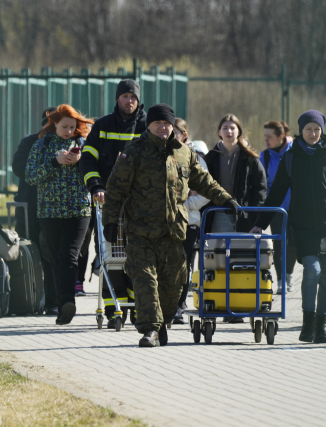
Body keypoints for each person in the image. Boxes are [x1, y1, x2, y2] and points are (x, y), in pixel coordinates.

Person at [102, 103, 237, 347]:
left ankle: (162, 322)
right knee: (145, 280)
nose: (163, 128)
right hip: (141, 232)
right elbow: (115, 189)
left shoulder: (184, 152)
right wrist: (110, 222)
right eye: (158, 123)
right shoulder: (134, 152)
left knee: (174, 284)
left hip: (174, 232)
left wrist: (225, 198)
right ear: (149, 125)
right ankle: (150, 330)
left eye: (167, 124)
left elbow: (204, 181)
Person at [251, 110, 326, 344]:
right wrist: (260, 224)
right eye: (308, 129)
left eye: (317, 129)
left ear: (322, 131)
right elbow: (276, 193)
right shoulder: (291, 157)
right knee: (313, 270)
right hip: (303, 226)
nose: (313, 133)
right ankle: (307, 324)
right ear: (301, 131)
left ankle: (321, 326)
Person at [79, 79, 146, 328]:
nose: (129, 101)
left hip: (139, 205)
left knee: (137, 255)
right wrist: (96, 186)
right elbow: (88, 160)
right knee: (109, 254)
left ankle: (139, 305)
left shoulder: (147, 126)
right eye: (125, 96)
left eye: (133, 97)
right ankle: (112, 307)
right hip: (107, 203)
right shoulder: (102, 126)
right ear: (117, 99)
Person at [26, 104, 94, 325]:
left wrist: (79, 162)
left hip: (79, 209)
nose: (68, 131)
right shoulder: (42, 145)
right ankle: (60, 305)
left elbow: (95, 171)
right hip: (49, 211)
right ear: (54, 123)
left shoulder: (83, 144)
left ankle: (68, 301)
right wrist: (55, 162)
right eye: (64, 126)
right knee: (56, 258)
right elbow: (30, 176)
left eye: (72, 127)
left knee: (70, 254)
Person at [203, 114, 266, 323]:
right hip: (218, 215)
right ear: (219, 132)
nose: (229, 132)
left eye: (233, 128)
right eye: (225, 128)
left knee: (240, 261)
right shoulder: (210, 157)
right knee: (218, 260)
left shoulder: (250, 158)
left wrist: (254, 215)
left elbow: (260, 190)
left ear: (239, 131)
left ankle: (238, 307)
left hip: (243, 217)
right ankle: (218, 304)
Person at [12, 107, 59, 315]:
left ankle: (52, 302)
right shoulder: (29, 142)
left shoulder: (67, 143)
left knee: (52, 258)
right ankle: (26, 300)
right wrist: (46, 167)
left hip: (54, 210)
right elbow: (19, 167)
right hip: (29, 208)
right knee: (26, 256)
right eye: (46, 124)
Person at [172, 118, 210, 324]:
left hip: (188, 221)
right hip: (162, 220)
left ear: (184, 135)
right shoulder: (157, 155)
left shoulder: (195, 159)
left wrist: (184, 203)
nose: (170, 135)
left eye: (175, 132)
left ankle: (179, 305)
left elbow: (205, 193)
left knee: (183, 264)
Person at [259, 120, 297, 294]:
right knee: (278, 243)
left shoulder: (295, 151)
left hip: (296, 205)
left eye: (270, 137)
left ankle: (289, 274)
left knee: (294, 243)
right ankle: (281, 280)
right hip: (275, 207)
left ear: (281, 137)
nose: (266, 140)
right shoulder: (265, 156)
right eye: (265, 136)